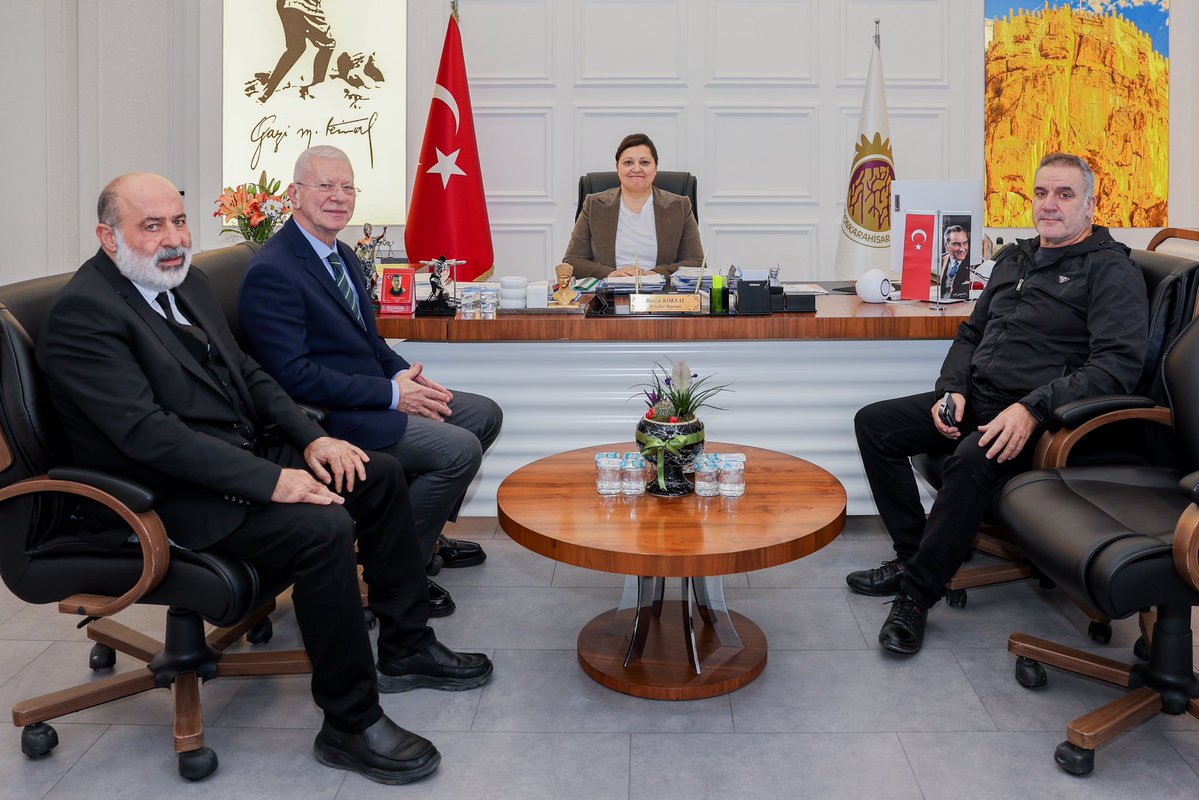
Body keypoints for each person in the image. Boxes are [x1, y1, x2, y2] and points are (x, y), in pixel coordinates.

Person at [36, 172, 493, 784]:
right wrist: (272, 480)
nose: (172, 239)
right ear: (109, 237)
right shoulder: (84, 316)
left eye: (178, 221)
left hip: (231, 461)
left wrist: (315, 439)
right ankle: (349, 722)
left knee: (374, 473)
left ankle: (405, 648)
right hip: (159, 500)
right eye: (152, 226)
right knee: (322, 527)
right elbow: (149, 435)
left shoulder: (184, 282)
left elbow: (249, 376)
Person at [845, 153, 1149, 655]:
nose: (1049, 205)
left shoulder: (1110, 271)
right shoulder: (1016, 257)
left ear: (1091, 205)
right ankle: (914, 555)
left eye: (1064, 194)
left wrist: (1033, 409)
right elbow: (973, 333)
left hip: (1045, 422)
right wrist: (952, 389)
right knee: (875, 424)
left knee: (970, 459)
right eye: (1041, 193)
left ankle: (918, 597)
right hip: (980, 399)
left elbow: (1117, 366)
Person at [239, 146, 502, 617]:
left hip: (370, 396)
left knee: (482, 413)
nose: (338, 197)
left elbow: (370, 341)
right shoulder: (272, 271)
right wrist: (394, 394)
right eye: (325, 186)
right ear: (294, 194)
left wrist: (401, 373)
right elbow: (292, 377)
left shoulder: (342, 253)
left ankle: (423, 536)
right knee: (459, 449)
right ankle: (396, 577)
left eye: (347, 186)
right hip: (331, 418)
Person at [563, 133, 704, 279]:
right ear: (618, 168)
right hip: (607, 295)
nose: (636, 169)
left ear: (655, 169)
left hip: (661, 295)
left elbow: (697, 263)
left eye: (644, 162)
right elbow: (572, 262)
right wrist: (611, 274)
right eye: (628, 162)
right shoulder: (594, 205)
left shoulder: (680, 206)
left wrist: (655, 275)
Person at [258, 0, 336, 103]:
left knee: (296, 48)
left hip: (285, 4)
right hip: (305, 5)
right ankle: (317, 88)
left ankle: (268, 91)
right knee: (327, 44)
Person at [938, 225, 971, 299]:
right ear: (946, 246)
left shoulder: (974, 264)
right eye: (956, 244)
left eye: (965, 243)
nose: (962, 249)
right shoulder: (940, 260)